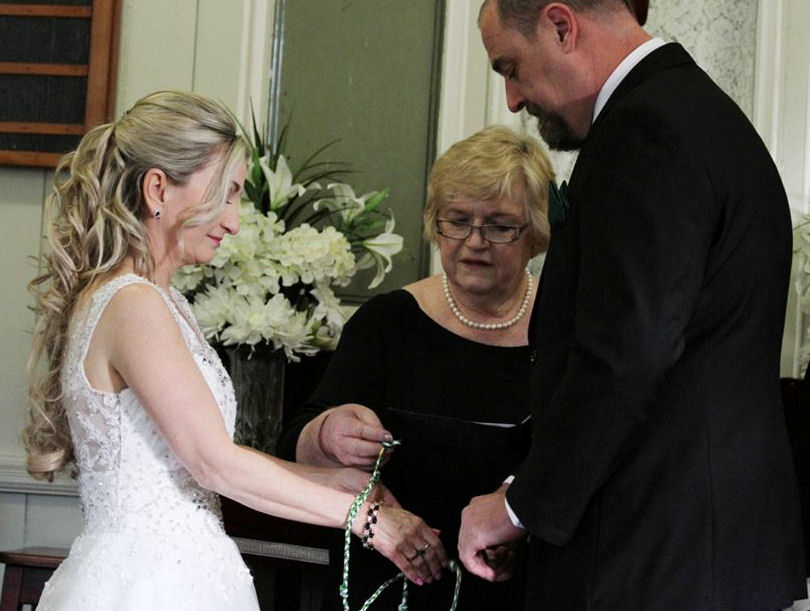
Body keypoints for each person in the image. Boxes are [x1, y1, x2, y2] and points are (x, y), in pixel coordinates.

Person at [23, 90, 447, 611]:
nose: (234, 219)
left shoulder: (161, 300)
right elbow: (212, 463)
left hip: (180, 573)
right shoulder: (132, 303)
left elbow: (187, 463)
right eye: (226, 194)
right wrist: (364, 517)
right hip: (146, 586)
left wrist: (332, 481)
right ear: (158, 187)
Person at [458, 1, 807, 609]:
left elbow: (626, 354)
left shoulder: (645, 131)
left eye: (510, 67)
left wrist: (519, 507)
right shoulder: (697, 114)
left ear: (561, 25)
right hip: (704, 551)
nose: (513, 99)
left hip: (658, 558)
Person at [278, 125, 553, 609]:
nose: (475, 241)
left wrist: (522, 524)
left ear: (535, 234)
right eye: (458, 220)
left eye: (500, 224)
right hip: (386, 584)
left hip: (516, 591)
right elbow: (295, 446)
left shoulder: (564, 330)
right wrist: (327, 433)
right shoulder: (387, 322)